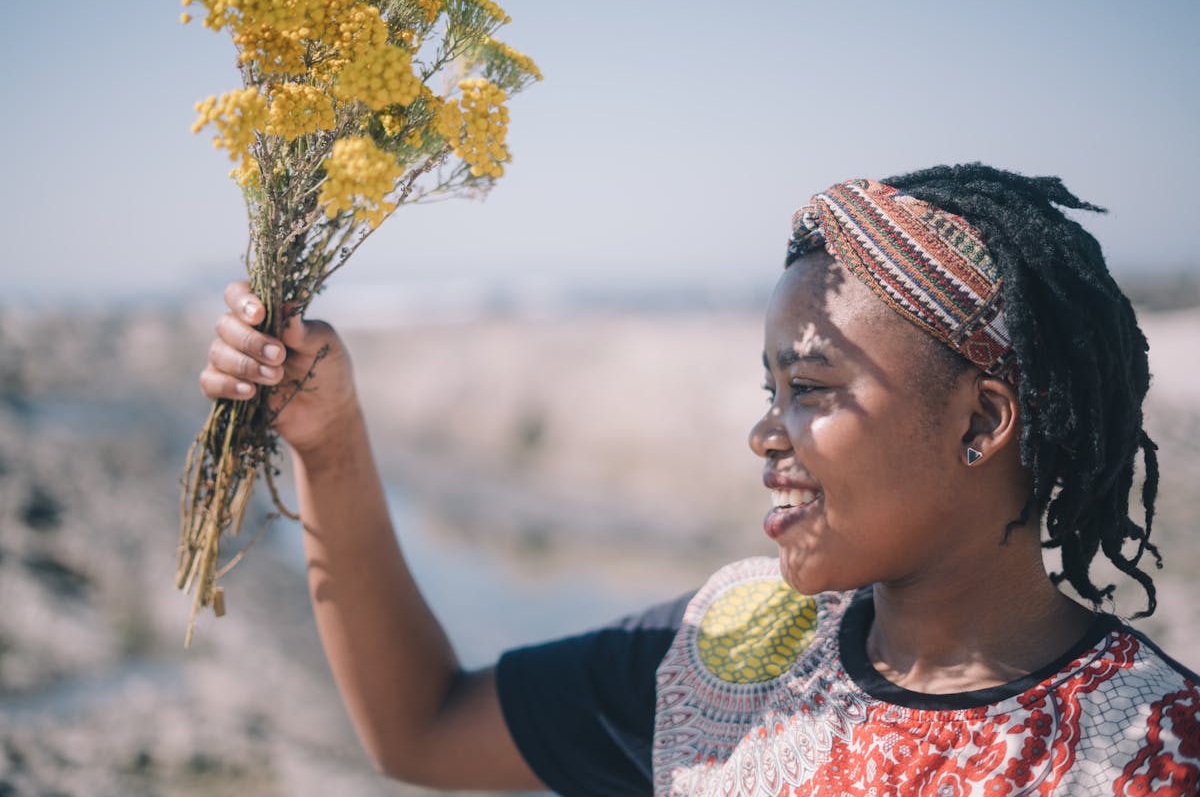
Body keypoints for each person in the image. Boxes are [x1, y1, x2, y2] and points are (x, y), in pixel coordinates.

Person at [199, 163, 1200, 795]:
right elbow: (420, 726)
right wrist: (330, 441)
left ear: (981, 420)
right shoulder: (730, 654)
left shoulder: (1153, 751)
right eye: (769, 389)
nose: (765, 433)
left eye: (810, 388)